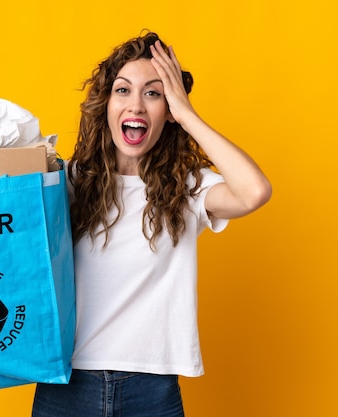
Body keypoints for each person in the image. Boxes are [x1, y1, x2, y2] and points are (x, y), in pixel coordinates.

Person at [32, 31, 272, 417]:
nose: (137, 105)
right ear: (105, 103)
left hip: (152, 391)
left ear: (169, 111)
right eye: (123, 90)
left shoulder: (189, 188)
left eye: (154, 93)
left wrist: (188, 114)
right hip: (66, 385)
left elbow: (254, 192)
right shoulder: (68, 182)